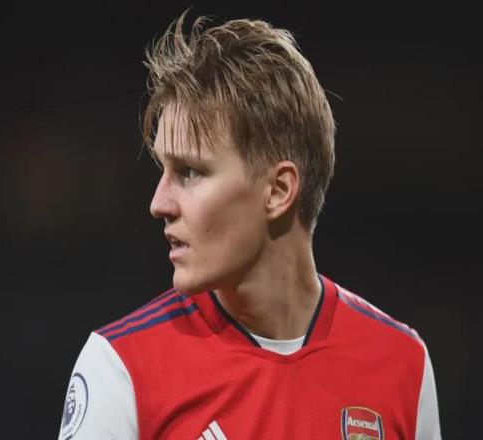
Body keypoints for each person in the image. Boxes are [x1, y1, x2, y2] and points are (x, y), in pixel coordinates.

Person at [59, 11, 441, 440]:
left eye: (189, 172)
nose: (158, 203)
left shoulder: (403, 365)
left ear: (278, 190)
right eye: (163, 170)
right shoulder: (120, 370)